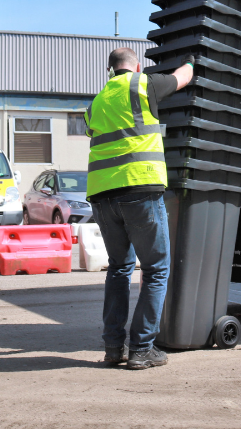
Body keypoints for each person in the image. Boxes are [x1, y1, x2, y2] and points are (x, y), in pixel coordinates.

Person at [84, 47, 193, 370]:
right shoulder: (142, 84)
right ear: (137, 67)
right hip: (139, 187)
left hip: (103, 194)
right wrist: (191, 60)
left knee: (119, 268)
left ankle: (114, 347)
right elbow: (182, 78)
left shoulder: (96, 102)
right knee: (156, 269)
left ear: (110, 70)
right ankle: (142, 348)